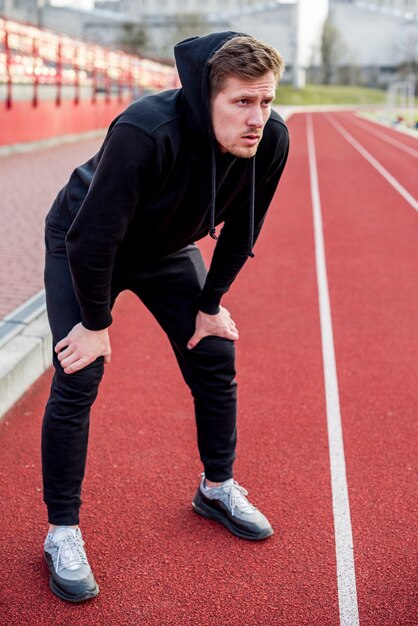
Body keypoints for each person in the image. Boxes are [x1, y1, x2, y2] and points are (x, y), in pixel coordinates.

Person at [41, 31, 289, 603]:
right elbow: (92, 238)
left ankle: (217, 487)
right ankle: (62, 532)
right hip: (87, 239)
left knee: (215, 349)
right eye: (242, 102)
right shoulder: (144, 130)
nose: (257, 118)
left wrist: (210, 306)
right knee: (79, 370)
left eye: (266, 101)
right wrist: (96, 325)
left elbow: (244, 228)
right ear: (206, 97)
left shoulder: (271, 140)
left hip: (166, 249)